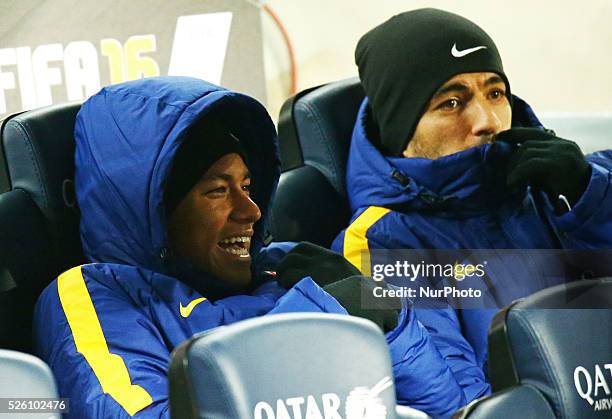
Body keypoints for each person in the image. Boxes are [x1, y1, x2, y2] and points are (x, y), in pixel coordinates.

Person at [34, 76, 475, 418]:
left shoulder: (291, 264)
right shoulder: (95, 296)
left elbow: (447, 407)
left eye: (247, 186)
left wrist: (382, 315)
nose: (251, 211)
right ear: (155, 208)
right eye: (217, 191)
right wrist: (318, 319)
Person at [331, 6, 612, 407]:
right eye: (451, 102)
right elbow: (455, 404)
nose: (487, 120)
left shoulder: (574, 184)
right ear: (402, 132)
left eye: (495, 93)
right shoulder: (387, 240)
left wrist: (591, 202)